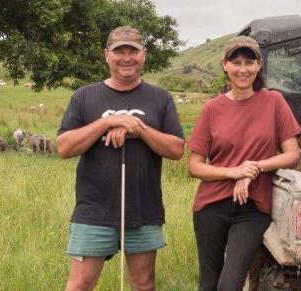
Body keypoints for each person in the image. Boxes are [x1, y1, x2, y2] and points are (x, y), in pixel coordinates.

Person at [57, 26, 185, 291]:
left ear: (143, 56)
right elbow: (65, 147)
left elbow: (176, 150)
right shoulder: (84, 96)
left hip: (143, 210)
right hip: (93, 211)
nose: (126, 57)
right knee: (79, 284)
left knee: (143, 284)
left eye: (133, 51)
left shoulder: (160, 98)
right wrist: (108, 122)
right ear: (107, 55)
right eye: (119, 51)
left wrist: (138, 127)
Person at [187, 35, 301, 290]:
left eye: (249, 62)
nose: (242, 69)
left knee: (229, 284)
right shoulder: (211, 109)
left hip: (253, 208)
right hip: (211, 206)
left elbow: (292, 154)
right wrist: (233, 172)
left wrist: (254, 169)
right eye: (236, 62)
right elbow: (195, 166)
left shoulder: (274, 102)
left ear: (259, 65)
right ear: (224, 65)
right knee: (208, 283)